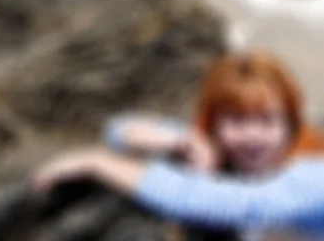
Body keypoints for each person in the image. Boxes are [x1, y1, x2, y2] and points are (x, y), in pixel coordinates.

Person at [31, 51, 324, 238]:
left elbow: (230, 204)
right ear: (213, 123)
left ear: (292, 124)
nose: (252, 135)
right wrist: (176, 141)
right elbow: (119, 129)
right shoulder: (232, 154)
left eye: (267, 121)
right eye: (236, 121)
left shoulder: (313, 176)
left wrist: (97, 163)